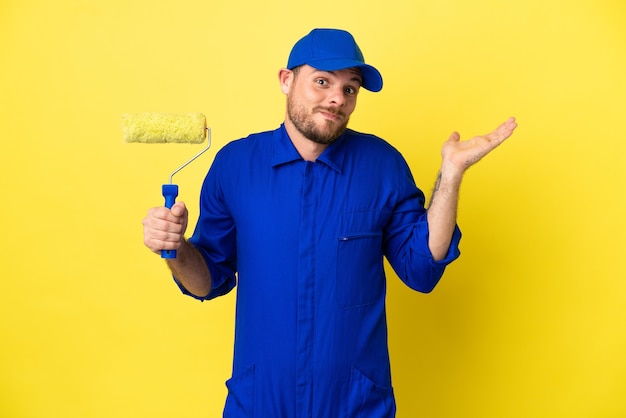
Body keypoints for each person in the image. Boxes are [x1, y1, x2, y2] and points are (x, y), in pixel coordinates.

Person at [142, 28, 517, 417]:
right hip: (259, 402)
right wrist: (177, 247)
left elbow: (422, 269)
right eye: (322, 82)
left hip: (355, 404)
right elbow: (208, 282)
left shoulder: (382, 165)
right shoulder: (235, 165)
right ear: (286, 81)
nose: (337, 98)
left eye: (350, 89)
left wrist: (452, 173)